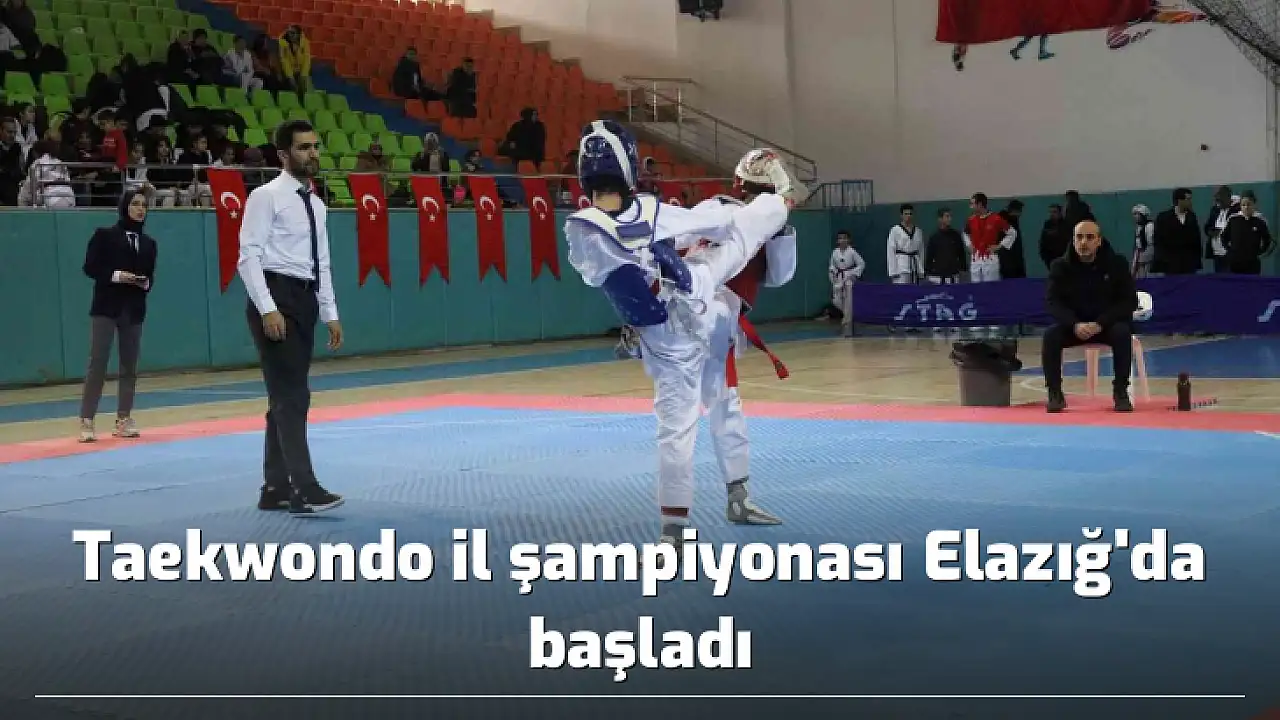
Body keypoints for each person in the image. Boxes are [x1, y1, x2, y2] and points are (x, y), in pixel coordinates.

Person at [564, 121, 793, 553]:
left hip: (664, 334)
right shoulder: (657, 212)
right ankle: (780, 202)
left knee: (679, 427)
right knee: (735, 242)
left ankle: (676, 530)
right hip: (697, 309)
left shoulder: (582, 227)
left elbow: (616, 271)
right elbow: (714, 224)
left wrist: (666, 254)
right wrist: (770, 206)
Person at [237, 119, 345, 515]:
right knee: (292, 396)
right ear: (284, 154)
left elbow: (322, 262)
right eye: (303, 147)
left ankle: (275, 487)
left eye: (315, 146)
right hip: (276, 294)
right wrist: (268, 307)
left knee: (285, 397)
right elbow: (248, 256)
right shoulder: (266, 197)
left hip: (305, 298)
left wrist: (330, 312)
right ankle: (304, 487)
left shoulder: (316, 203)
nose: (312, 153)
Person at [77, 190, 157, 442]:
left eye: (144, 205)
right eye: (135, 204)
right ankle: (87, 419)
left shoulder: (149, 244)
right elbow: (90, 267)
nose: (140, 209)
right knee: (98, 363)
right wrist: (117, 275)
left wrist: (143, 282)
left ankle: (123, 418)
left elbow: (150, 276)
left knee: (129, 366)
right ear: (125, 207)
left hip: (133, 310)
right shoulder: (104, 236)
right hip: (106, 307)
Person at [1041, 220, 1139, 414]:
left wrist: (1101, 323)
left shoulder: (1117, 264)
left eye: (1089, 237)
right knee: (1050, 335)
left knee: (1122, 333)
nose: (1083, 242)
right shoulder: (1059, 266)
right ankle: (1054, 393)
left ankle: (1120, 391)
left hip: (1106, 326)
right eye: (1079, 237)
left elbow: (1129, 301)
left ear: (1099, 241)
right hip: (1074, 327)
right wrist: (1074, 324)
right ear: (1073, 240)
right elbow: (1052, 302)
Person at [963, 192, 1016, 283]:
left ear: (980, 204)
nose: (971, 207)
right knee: (976, 288)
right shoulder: (971, 220)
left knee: (991, 287)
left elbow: (1012, 233)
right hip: (976, 259)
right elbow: (965, 233)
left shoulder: (996, 219)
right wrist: (969, 245)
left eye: (972, 204)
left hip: (990, 258)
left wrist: (999, 246)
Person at [1220, 190, 1273, 275]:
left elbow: (1267, 240)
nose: (1246, 207)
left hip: (1252, 264)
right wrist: (1230, 251)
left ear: (1254, 204)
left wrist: (1259, 253)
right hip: (1234, 263)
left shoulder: (1260, 221)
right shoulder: (1233, 219)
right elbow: (1223, 237)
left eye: (1249, 204)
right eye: (1243, 205)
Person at [1131, 204, 1155, 278]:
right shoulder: (1139, 228)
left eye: (1138, 214)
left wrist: (1143, 259)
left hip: (1148, 260)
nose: (1135, 216)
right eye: (1134, 214)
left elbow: (1151, 245)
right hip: (1139, 257)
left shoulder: (1150, 226)